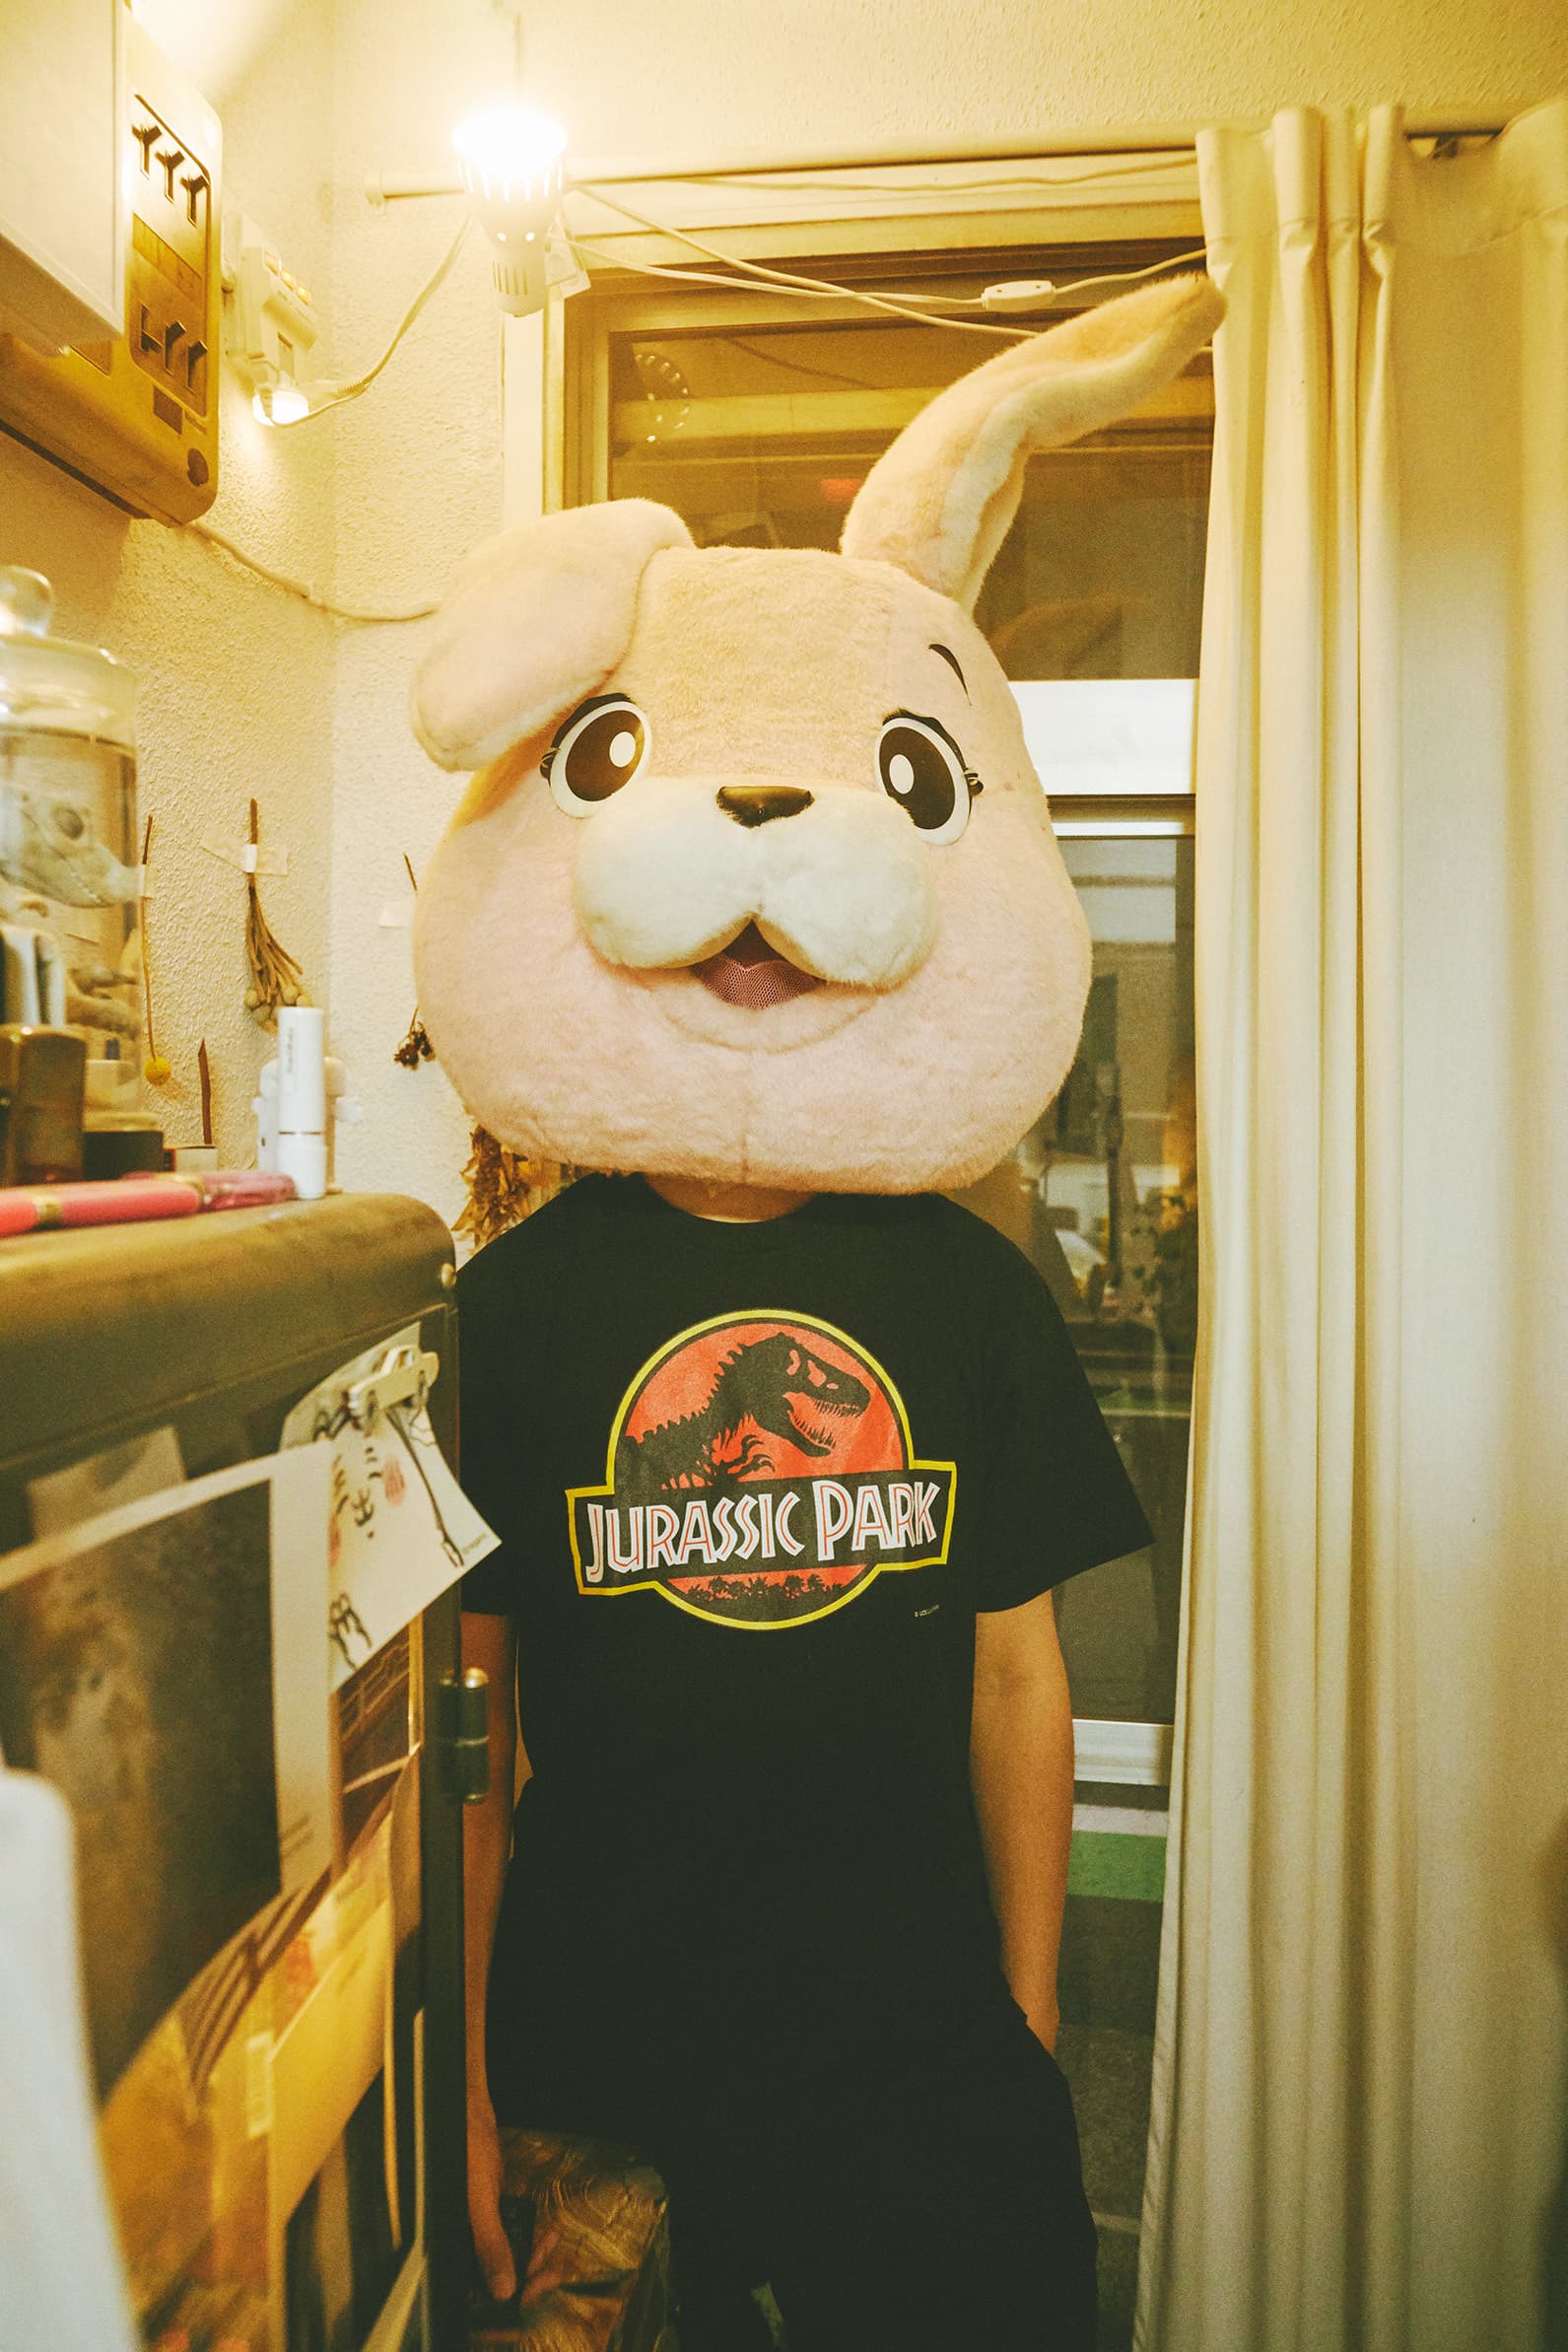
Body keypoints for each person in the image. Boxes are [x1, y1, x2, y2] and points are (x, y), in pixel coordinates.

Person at [405, 274, 1222, 2351]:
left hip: (915, 2058)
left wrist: (1025, 2026)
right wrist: (469, 2082)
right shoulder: (506, 1309)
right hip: (598, 2060)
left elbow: (1021, 1681)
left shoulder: (968, 1290)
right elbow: (470, 1736)